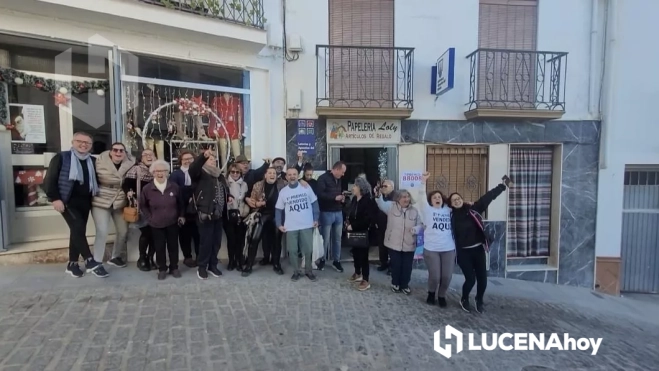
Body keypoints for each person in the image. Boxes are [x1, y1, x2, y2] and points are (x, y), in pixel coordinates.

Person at [44, 131, 108, 278]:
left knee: (77, 231)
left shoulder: (92, 160)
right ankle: (90, 260)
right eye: (80, 141)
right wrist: (55, 199)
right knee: (78, 227)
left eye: (87, 143)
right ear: (73, 142)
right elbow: (49, 180)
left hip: (85, 202)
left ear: (91, 146)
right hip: (67, 201)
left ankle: (72, 264)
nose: (83, 144)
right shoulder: (62, 157)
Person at [449, 178, 510, 313]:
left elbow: (487, 197)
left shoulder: (473, 209)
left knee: (483, 279)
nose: (457, 201)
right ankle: (464, 298)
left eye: (458, 198)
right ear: (451, 204)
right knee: (470, 279)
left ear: (462, 199)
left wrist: (501, 186)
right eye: (454, 200)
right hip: (463, 253)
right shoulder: (449, 216)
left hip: (478, 250)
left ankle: (479, 299)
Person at [189, 149, 232, 280]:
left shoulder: (219, 175)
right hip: (205, 213)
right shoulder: (200, 173)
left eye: (214, 159)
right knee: (205, 242)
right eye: (210, 159)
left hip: (219, 214)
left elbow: (224, 189)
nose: (213, 160)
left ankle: (212, 265)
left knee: (216, 242)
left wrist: (228, 196)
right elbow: (193, 168)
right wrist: (203, 156)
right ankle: (202, 267)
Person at [91, 142, 134, 268]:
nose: (118, 153)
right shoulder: (98, 161)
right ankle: (97, 260)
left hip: (120, 199)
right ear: (110, 151)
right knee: (102, 231)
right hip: (101, 198)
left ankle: (115, 257)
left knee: (123, 231)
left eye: (121, 150)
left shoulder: (131, 163)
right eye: (115, 150)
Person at [140, 160, 185, 280]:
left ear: (167, 172)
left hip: (172, 222)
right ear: (153, 172)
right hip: (156, 223)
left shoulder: (174, 186)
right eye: (157, 171)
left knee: (173, 246)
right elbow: (143, 205)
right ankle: (162, 269)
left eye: (163, 171)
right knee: (159, 247)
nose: (160, 173)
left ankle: (174, 267)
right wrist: (150, 218)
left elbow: (181, 203)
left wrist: (181, 216)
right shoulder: (147, 188)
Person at [418, 172, 455, 307]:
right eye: (434, 197)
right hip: (431, 249)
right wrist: (423, 182)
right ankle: (431, 293)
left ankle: (442, 296)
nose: (437, 198)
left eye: (439, 196)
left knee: (446, 277)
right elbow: (421, 197)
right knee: (435, 276)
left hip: (448, 249)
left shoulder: (448, 210)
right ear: (431, 200)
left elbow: (459, 204)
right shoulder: (427, 210)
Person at [276, 167, 319, 281]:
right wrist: (279, 224)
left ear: (298, 175)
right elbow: (278, 209)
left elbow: (314, 203)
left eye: (294, 174)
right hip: (291, 226)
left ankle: (309, 271)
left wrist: (316, 218)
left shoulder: (306, 187)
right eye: (289, 174)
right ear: (286, 177)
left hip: (307, 224)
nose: (292, 176)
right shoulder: (283, 192)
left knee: (308, 250)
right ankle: (296, 271)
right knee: (293, 250)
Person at [375, 189, 422, 294]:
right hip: (393, 242)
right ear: (398, 199)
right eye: (403, 197)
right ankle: (395, 283)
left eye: (407, 196)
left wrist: (416, 229)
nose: (406, 199)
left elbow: (420, 224)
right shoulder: (391, 207)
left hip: (409, 243)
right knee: (396, 265)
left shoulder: (414, 210)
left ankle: (405, 285)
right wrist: (378, 194)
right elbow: (380, 203)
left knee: (407, 266)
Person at [243, 167, 286, 276]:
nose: (272, 174)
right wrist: (257, 203)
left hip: (277, 214)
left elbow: (294, 179)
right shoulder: (258, 185)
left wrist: (303, 181)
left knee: (277, 240)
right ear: (265, 175)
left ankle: (276, 264)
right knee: (255, 238)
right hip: (262, 214)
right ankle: (249, 265)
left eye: (274, 173)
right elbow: (252, 200)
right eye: (270, 173)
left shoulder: (283, 184)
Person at [122, 149, 156, 271]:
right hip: (140, 207)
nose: (148, 156)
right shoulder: (136, 169)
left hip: (155, 208)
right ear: (141, 158)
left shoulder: (157, 170)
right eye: (145, 154)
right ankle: (142, 258)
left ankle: (151, 258)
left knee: (155, 234)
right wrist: (129, 192)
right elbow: (126, 184)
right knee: (147, 233)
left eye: (150, 154)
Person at [345, 177, 376, 291]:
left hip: (364, 231)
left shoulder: (368, 200)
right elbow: (352, 213)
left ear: (360, 188)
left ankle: (366, 279)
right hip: (353, 232)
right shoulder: (354, 199)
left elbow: (368, 218)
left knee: (363, 256)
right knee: (355, 253)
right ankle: (357, 273)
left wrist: (353, 225)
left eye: (355, 186)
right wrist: (348, 222)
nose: (353, 187)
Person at [316, 161, 347, 272]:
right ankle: (322, 260)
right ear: (337, 169)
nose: (343, 174)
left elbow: (338, 193)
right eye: (342, 172)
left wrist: (342, 198)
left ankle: (336, 261)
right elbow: (319, 194)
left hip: (338, 212)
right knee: (325, 239)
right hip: (326, 212)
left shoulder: (339, 179)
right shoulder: (322, 178)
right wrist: (334, 198)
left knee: (338, 239)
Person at [170, 150, 200, 268]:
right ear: (180, 161)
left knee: (198, 234)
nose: (187, 161)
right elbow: (174, 191)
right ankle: (187, 257)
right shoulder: (175, 174)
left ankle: (199, 256)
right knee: (184, 235)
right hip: (182, 209)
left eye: (190, 158)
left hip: (197, 209)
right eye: (185, 159)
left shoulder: (199, 172)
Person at [225, 162, 250, 271]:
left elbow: (245, 199)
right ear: (229, 172)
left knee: (240, 240)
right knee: (231, 240)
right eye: (232, 172)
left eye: (237, 172)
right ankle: (231, 261)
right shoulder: (225, 183)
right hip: (229, 215)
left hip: (241, 215)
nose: (235, 174)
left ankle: (240, 261)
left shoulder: (244, 184)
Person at [375, 179, 397, 274]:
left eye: (385, 186)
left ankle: (392, 266)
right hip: (381, 225)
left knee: (392, 248)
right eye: (382, 186)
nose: (383, 188)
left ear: (392, 187)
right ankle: (383, 263)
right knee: (382, 245)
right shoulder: (380, 196)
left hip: (392, 226)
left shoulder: (396, 197)